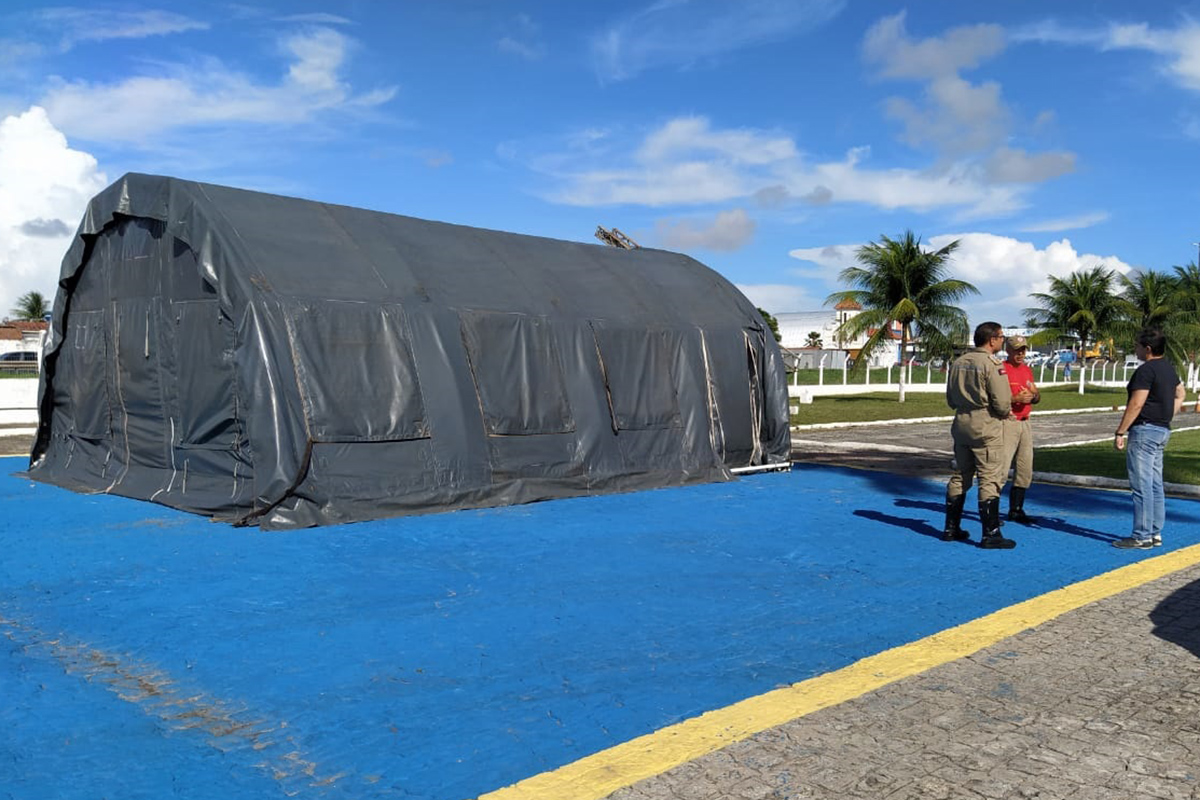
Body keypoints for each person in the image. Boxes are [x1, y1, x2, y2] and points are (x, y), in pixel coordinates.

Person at [943, 321, 1016, 549]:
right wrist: (1002, 413)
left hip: (961, 421)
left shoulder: (959, 361)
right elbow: (1003, 402)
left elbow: (950, 399)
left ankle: (951, 528)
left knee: (960, 474)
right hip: (985, 424)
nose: (1002, 340)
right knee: (989, 477)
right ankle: (990, 533)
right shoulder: (991, 364)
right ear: (992, 339)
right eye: (1001, 336)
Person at [1112, 328, 1185, 550]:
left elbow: (1137, 403)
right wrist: (1166, 414)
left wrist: (1120, 431)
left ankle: (1141, 535)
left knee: (1141, 485)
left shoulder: (1146, 371)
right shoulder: (1168, 369)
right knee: (1154, 484)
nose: (1136, 350)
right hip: (1162, 430)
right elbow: (1181, 394)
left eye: (1137, 346)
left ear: (1148, 349)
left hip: (1144, 430)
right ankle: (1154, 532)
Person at [1001, 336, 1040, 524]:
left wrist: (1033, 396)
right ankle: (990, 509)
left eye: (1023, 350)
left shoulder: (1026, 370)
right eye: (1017, 350)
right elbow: (995, 398)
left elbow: (1036, 394)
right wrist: (1016, 398)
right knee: (1001, 467)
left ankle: (1016, 509)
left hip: (1025, 421)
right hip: (1009, 421)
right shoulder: (1001, 369)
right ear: (1008, 350)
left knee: (1025, 467)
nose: (1021, 354)